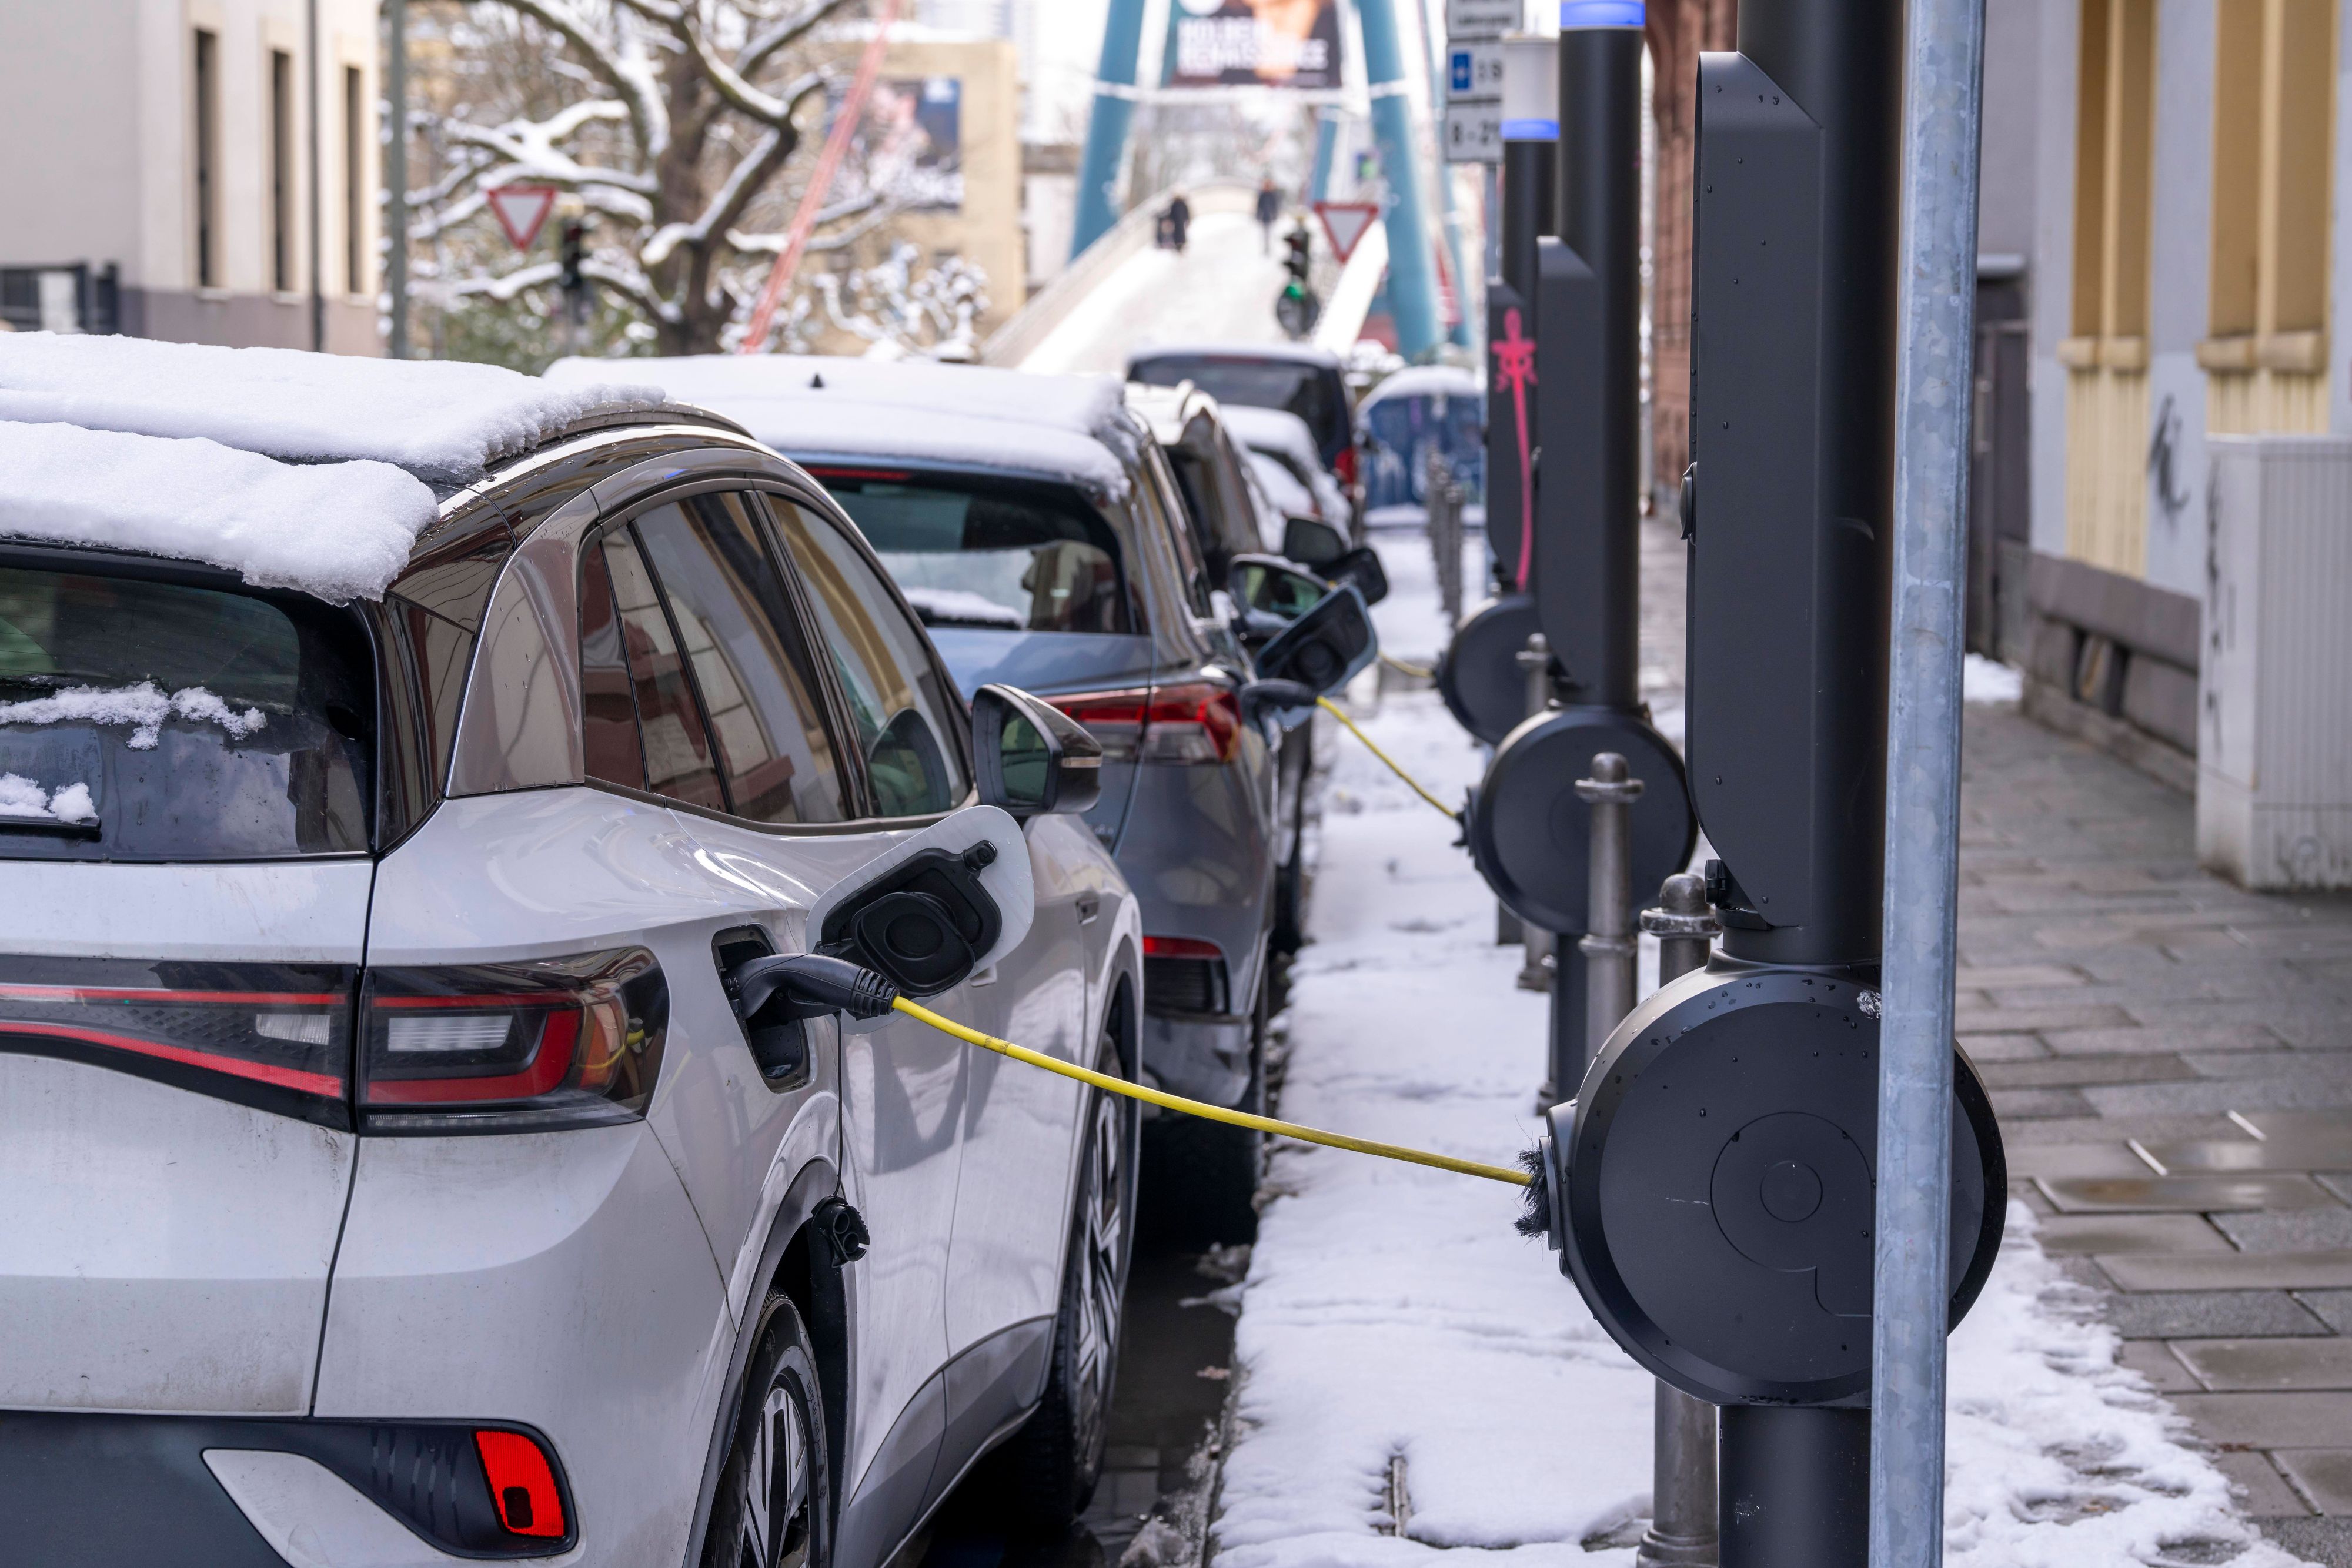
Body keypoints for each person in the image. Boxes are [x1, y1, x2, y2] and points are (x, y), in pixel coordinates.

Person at [1255, 176, 1282, 253]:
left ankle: (1269, 248)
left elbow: (1275, 206)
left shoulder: (1273, 195)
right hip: (1264, 217)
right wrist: (1258, 215)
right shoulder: (1262, 195)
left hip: (1271, 217)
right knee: (1264, 233)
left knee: (1270, 233)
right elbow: (1259, 206)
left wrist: (1275, 215)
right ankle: (1265, 247)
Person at [1165, 190, 1192, 255]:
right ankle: (1180, 243)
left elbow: (1172, 214)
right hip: (1179, 222)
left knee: (1179, 232)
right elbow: (1186, 213)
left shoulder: (1177, 204)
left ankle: (1180, 243)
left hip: (1179, 222)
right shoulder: (1178, 204)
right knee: (1180, 232)